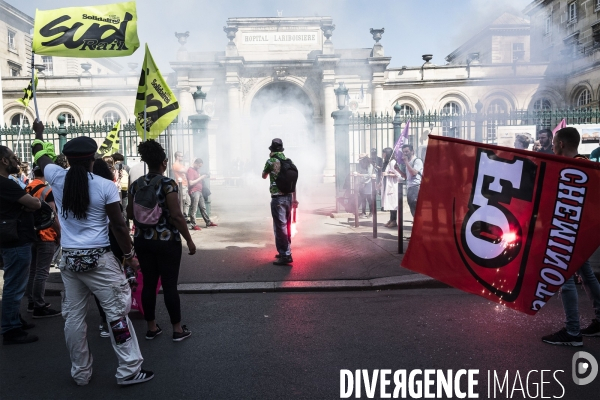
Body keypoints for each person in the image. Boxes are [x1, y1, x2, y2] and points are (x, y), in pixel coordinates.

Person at [31, 120, 153, 386]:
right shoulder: (105, 186)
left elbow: (40, 155)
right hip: (100, 260)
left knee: (73, 318)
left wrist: (39, 134)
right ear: (93, 159)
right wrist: (130, 254)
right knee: (116, 314)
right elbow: (119, 226)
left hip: (70, 260)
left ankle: (80, 373)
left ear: (68, 159)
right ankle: (129, 370)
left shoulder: (56, 176)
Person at [127, 140, 196, 342]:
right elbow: (176, 215)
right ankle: (177, 329)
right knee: (169, 284)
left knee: (148, 284)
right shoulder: (168, 184)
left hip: (143, 241)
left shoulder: (136, 184)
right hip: (167, 241)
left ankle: (152, 327)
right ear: (164, 162)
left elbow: (130, 213)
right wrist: (189, 241)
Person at [541, 127, 600, 346]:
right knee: (586, 274)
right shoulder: (585, 164)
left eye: (555, 142)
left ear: (561, 144)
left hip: (569, 232)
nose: (553, 145)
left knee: (564, 278)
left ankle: (573, 332)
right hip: (579, 232)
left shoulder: (575, 166)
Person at [0, 146, 40, 345]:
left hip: (13, 239)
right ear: (4, 161)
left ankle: (14, 320)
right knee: (14, 286)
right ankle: (10, 329)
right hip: (16, 241)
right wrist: (29, 204)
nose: (17, 161)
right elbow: (35, 204)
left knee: (15, 283)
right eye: (13, 158)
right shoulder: (6, 185)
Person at [24, 165, 61, 318]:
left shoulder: (27, 188)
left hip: (31, 233)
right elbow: (52, 215)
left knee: (33, 270)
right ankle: (40, 305)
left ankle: (32, 302)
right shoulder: (47, 191)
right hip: (45, 234)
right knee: (42, 271)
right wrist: (59, 233)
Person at [262, 138, 294, 266]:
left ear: (272, 150)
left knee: (279, 227)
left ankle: (286, 255)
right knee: (286, 225)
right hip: (289, 197)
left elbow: (264, 176)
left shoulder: (271, 161)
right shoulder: (288, 161)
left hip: (277, 197)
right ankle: (284, 250)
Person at [186, 158, 217, 230]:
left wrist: (203, 176)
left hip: (199, 191)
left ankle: (208, 222)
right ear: (196, 163)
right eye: (199, 166)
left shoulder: (197, 170)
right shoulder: (190, 170)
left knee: (203, 207)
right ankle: (193, 224)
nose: (199, 167)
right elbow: (191, 183)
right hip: (194, 191)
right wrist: (201, 178)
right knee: (194, 208)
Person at [398, 144, 423, 218]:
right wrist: (398, 170)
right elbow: (406, 176)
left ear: (412, 151)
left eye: (407, 151)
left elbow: (413, 173)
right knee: (412, 207)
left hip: (416, 186)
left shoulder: (417, 161)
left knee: (415, 206)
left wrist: (406, 162)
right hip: (410, 187)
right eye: (404, 152)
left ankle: (419, 224)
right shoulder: (408, 162)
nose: (405, 153)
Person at [380, 147, 401, 228]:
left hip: (393, 186)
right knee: (389, 204)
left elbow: (398, 175)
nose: (382, 155)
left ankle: (394, 221)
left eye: (384, 153)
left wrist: (388, 174)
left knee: (393, 204)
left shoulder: (393, 162)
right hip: (387, 185)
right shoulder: (387, 162)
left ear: (387, 154)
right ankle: (391, 219)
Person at [172, 151, 190, 219]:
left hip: (185, 185)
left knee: (188, 201)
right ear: (177, 157)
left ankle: (184, 216)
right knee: (182, 201)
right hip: (181, 185)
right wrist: (187, 166)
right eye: (181, 156)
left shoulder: (180, 164)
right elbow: (186, 171)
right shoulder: (176, 165)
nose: (182, 157)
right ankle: (181, 216)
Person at [356, 153, 373, 218]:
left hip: (368, 183)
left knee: (369, 198)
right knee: (363, 199)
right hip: (362, 183)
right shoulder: (361, 165)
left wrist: (360, 175)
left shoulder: (369, 165)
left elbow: (369, 175)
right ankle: (363, 213)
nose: (360, 161)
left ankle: (371, 212)